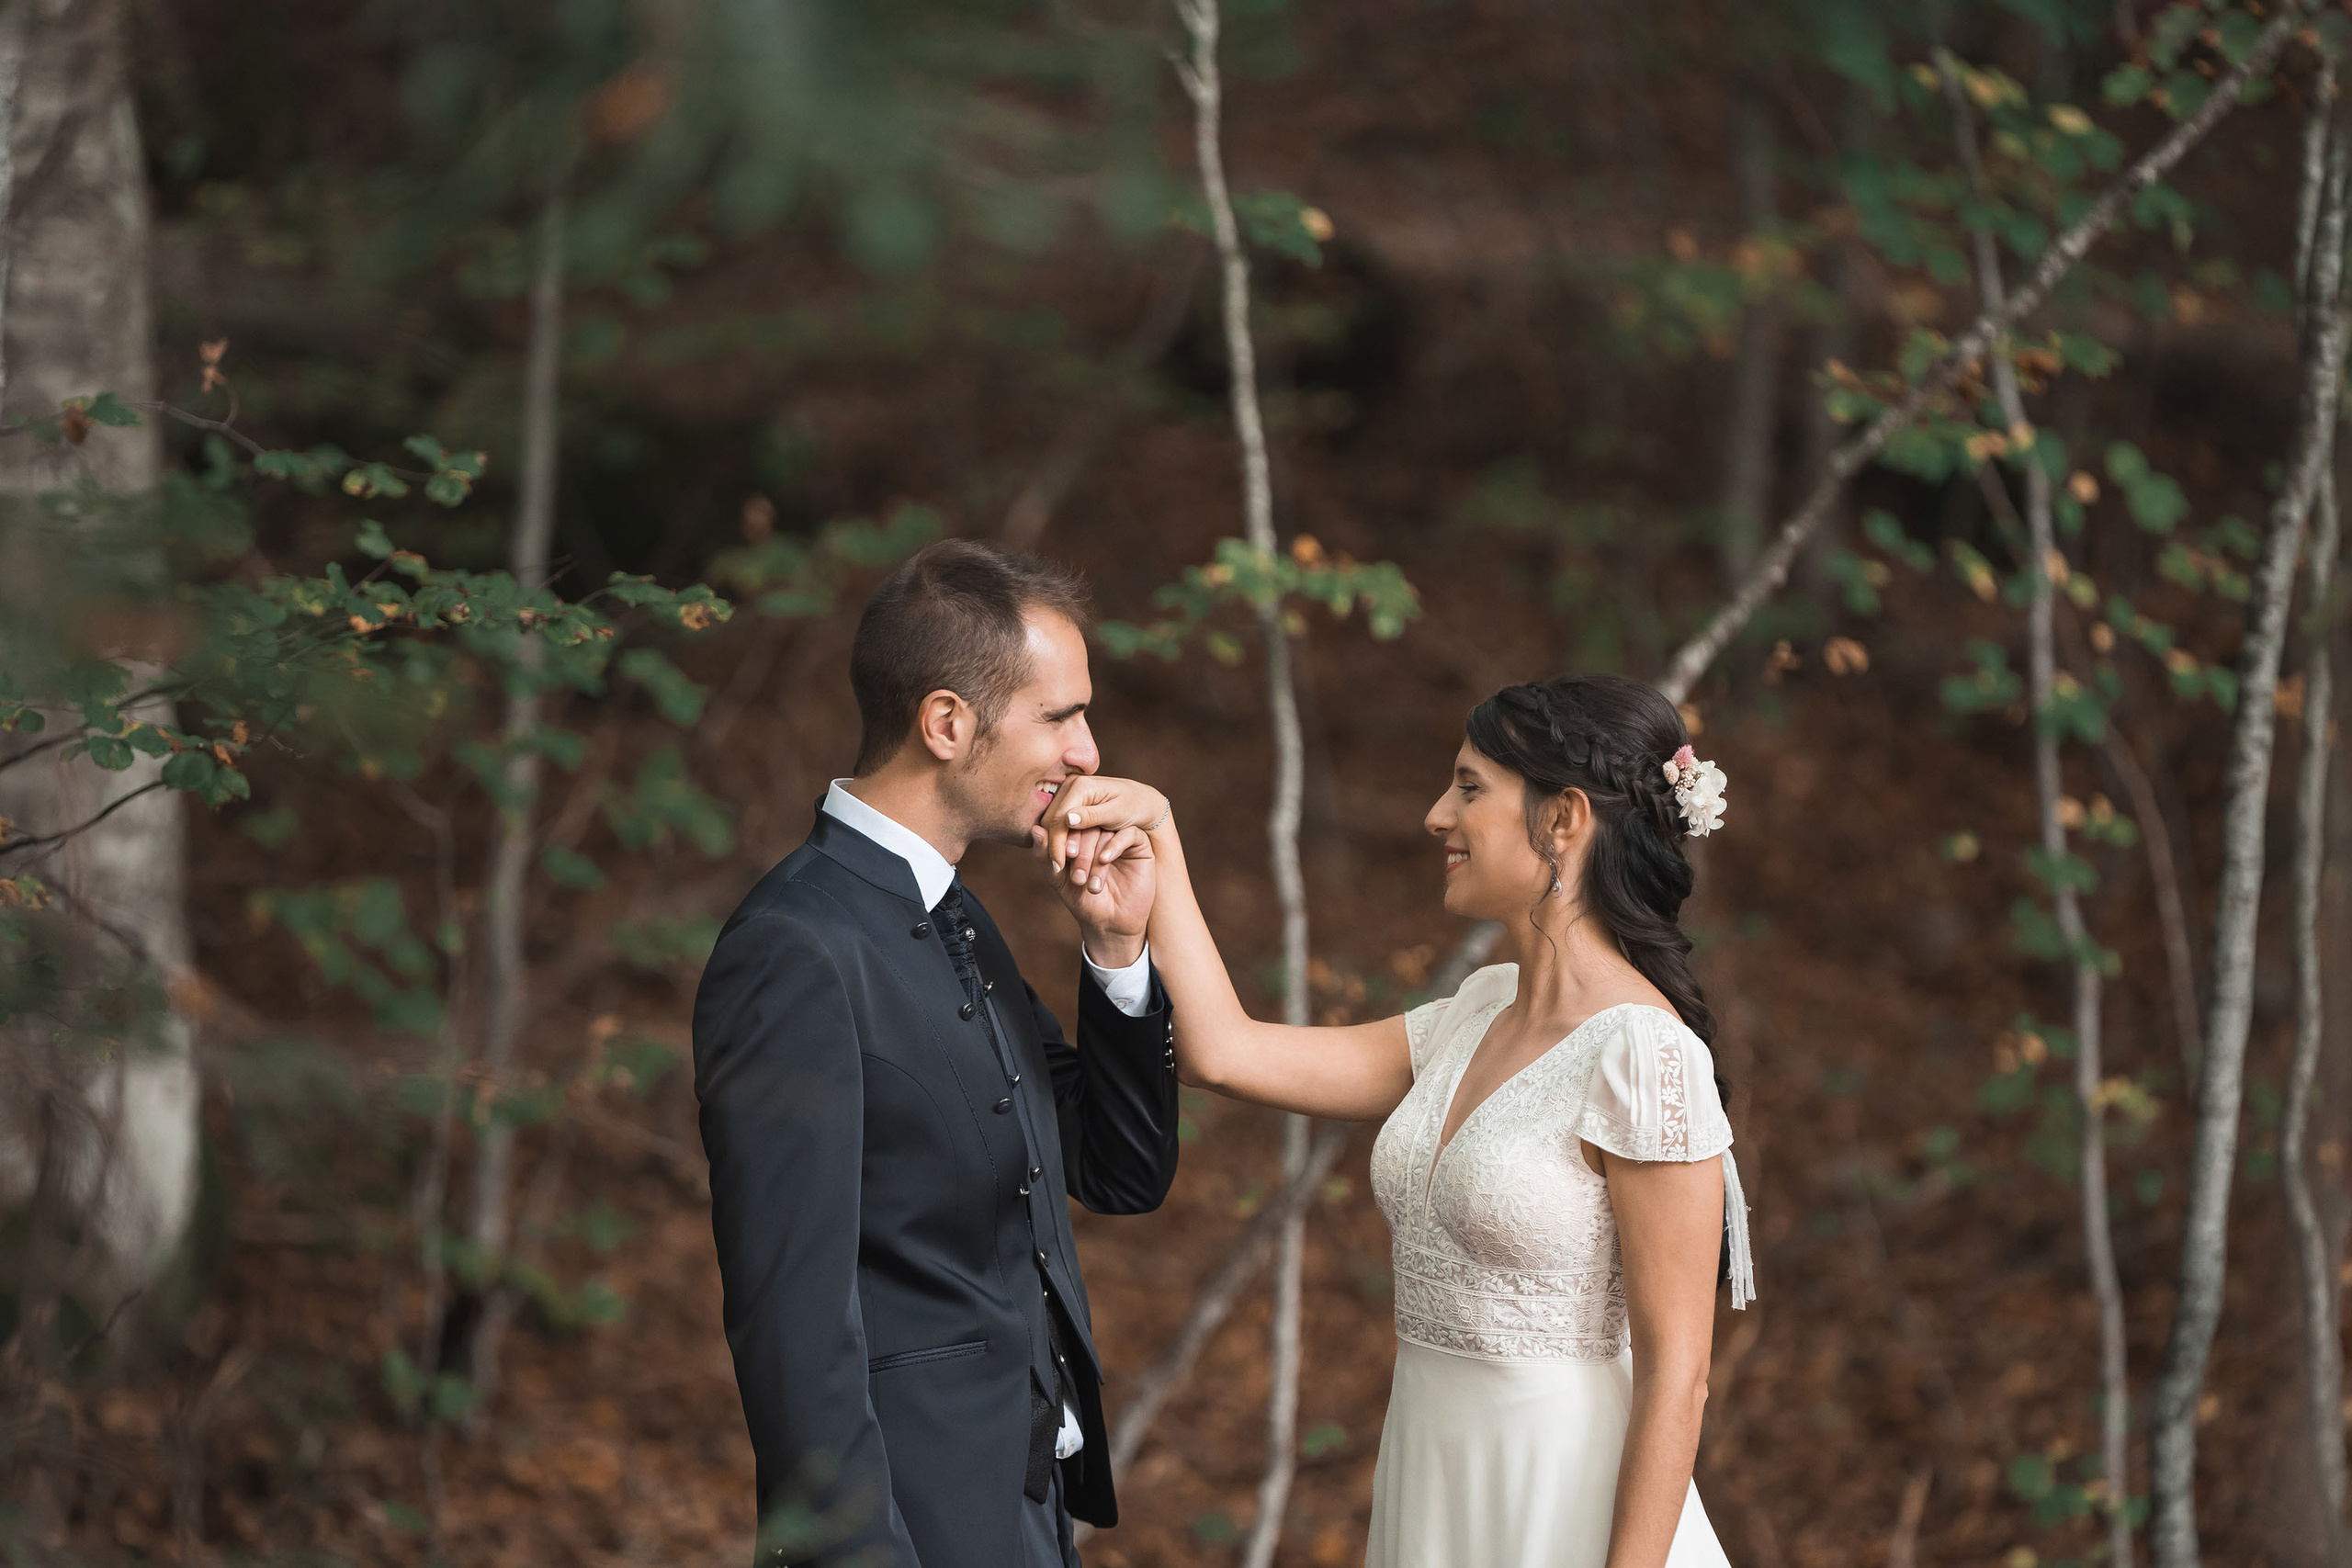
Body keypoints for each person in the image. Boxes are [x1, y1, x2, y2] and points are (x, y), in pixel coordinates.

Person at [1046, 672, 1753, 1568]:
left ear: (1563, 819)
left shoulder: (1646, 1059)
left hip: (1565, 1509)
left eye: (1468, 787)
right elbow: (1226, 1053)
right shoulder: (1478, 1010)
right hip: (1430, 1484)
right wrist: (1158, 841)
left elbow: (1676, 1379)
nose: (1434, 816)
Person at [691, 539, 1181, 1568]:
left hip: (1028, 1512)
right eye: (1059, 716)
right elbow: (793, 1329)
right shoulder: (796, 949)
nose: (1089, 752)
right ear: (947, 723)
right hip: (907, 1527)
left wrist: (1118, 951)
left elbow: (1117, 1171)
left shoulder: (952, 914)